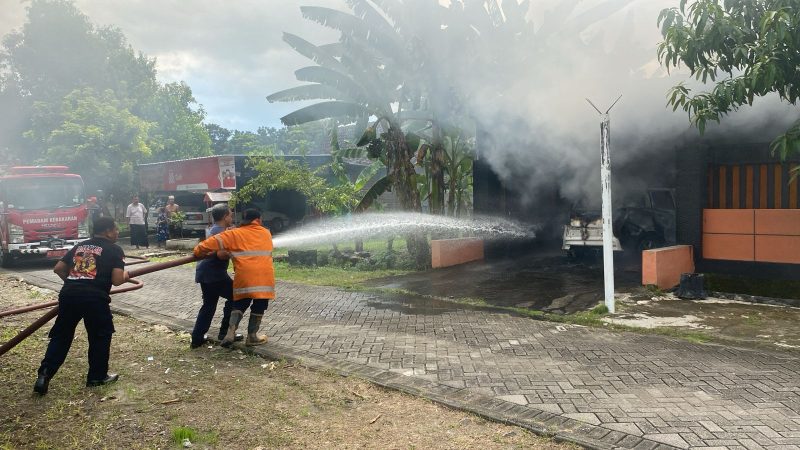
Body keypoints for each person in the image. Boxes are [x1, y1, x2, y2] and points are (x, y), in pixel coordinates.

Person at [34, 217, 129, 395]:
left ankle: (44, 375)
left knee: (61, 336)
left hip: (69, 295)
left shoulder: (80, 246)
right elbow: (117, 280)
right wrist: (126, 273)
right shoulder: (114, 249)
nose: (118, 232)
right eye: (116, 229)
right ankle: (97, 376)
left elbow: (59, 268)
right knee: (100, 335)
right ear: (108, 231)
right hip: (95, 298)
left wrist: (75, 282)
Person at [193, 208, 274, 347]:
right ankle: (252, 336)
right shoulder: (266, 233)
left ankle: (228, 333)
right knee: (259, 304)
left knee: (239, 302)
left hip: (243, 277)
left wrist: (197, 251)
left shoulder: (233, 234)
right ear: (259, 220)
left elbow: (205, 246)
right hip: (264, 279)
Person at [189, 204, 242, 348]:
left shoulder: (214, 229)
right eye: (230, 215)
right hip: (214, 274)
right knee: (235, 296)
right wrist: (236, 249)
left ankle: (197, 338)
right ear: (225, 217)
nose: (232, 218)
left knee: (209, 304)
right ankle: (225, 333)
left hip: (205, 272)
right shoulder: (221, 233)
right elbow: (221, 254)